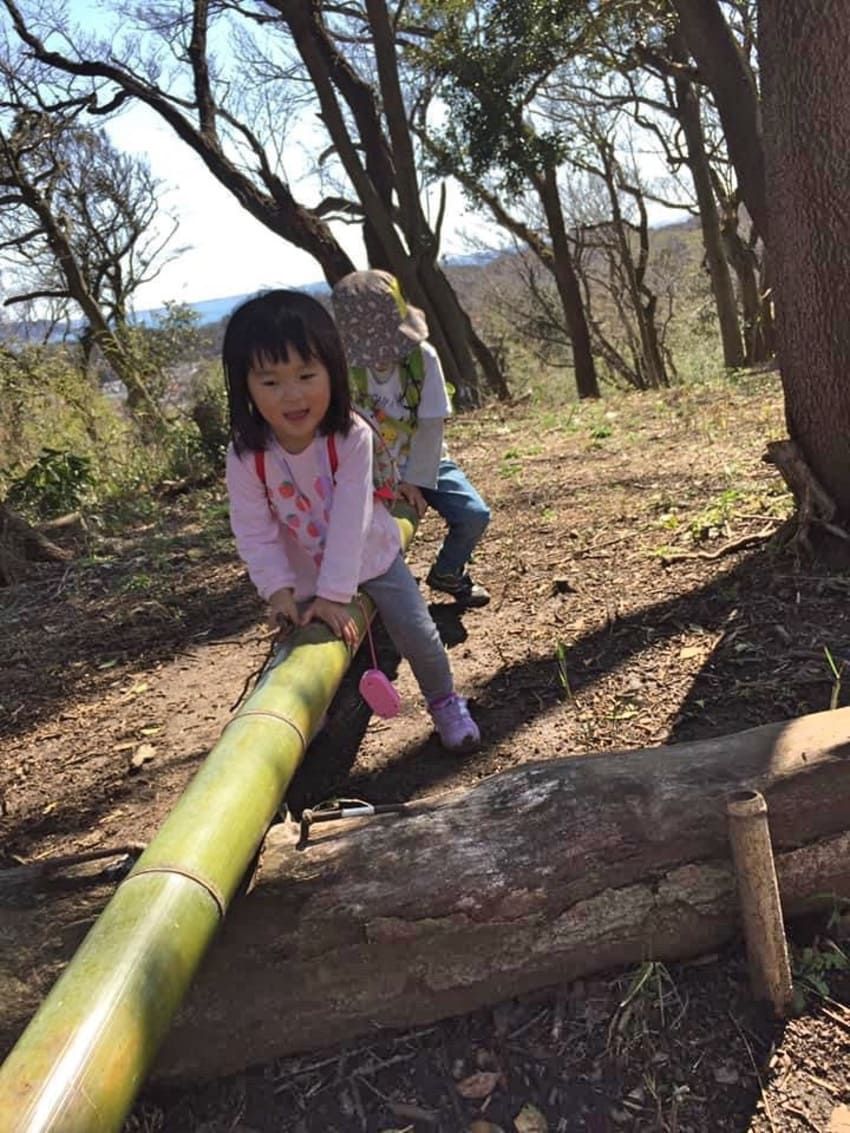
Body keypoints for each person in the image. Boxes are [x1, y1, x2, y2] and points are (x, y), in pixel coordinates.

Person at [222, 289, 481, 753]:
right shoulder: (246, 456)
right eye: (270, 381)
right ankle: (299, 740)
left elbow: (350, 517)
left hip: (371, 555)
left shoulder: (349, 435)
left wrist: (334, 595)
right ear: (245, 386)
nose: (293, 395)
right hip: (303, 573)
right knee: (298, 652)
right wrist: (279, 591)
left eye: (306, 374)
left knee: (419, 635)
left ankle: (444, 701)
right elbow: (254, 531)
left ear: (333, 370)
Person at [331, 269, 491, 608]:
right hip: (368, 470)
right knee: (367, 535)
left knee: (474, 514)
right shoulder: (343, 371)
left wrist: (415, 480)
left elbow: (432, 425)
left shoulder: (423, 358)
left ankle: (448, 571)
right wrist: (378, 480)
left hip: (427, 459)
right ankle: (377, 598)